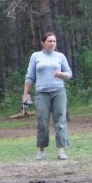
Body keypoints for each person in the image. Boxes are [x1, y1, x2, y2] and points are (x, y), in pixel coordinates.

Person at [22, 32, 73, 160]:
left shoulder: (60, 56)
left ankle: (61, 150)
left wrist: (61, 74)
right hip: (42, 93)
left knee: (60, 120)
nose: (52, 44)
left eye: (54, 41)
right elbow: (30, 76)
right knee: (42, 121)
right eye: (49, 41)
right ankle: (41, 150)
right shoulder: (36, 56)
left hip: (58, 92)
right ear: (43, 43)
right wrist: (25, 94)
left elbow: (69, 74)